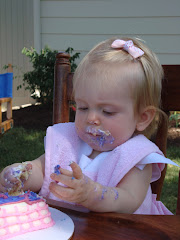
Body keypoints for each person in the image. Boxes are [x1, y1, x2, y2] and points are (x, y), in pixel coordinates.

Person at [0, 37, 178, 214]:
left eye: (107, 111)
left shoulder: (137, 157)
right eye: (83, 107)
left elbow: (129, 199)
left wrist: (93, 195)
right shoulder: (68, 141)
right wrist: (22, 175)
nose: (91, 118)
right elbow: (41, 169)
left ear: (142, 118)